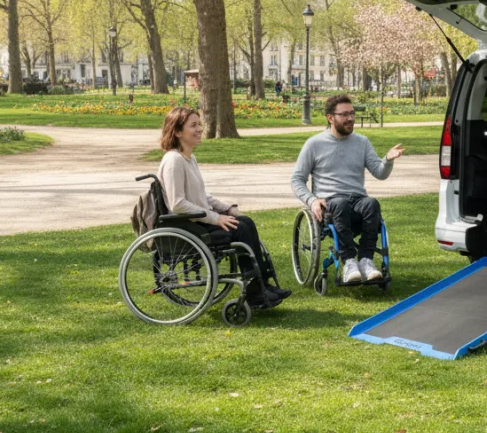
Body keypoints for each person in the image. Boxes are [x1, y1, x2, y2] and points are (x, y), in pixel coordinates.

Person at [157, 106, 289, 309]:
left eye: (199, 124)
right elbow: (177, 203)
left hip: (197, 220)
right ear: (177, 131)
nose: (200, 129)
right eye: (193, 125)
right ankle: (256, 293)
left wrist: (227, 209)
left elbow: (202, 196)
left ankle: (263, 285)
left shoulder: (189, 159)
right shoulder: (174, 160)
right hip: (188, 226)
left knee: (244, 221)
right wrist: (215, 218)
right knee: (241, 228)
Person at [291, 94, 405, 283]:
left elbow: (380, 172)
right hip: (331, 203)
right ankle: (349, 261)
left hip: (358, 201)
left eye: (352, 113)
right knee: (340, 203)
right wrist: (312, 201)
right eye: (344, 115)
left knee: (371, 204)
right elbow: (297, 179)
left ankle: (367, 261)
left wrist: (387, 160)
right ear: (330, 118)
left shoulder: (362, 142)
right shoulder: (314, 144)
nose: (350, 118)